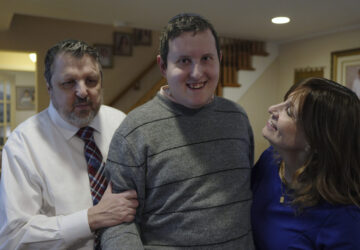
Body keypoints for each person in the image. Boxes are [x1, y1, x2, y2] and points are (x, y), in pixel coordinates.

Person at [101, 13, 255, 249]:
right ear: (163, 66)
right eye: (184, 61)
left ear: (220, 60)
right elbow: (116, 222)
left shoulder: (238, 118)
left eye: (207, 58)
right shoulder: (135, 130)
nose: (197, 72)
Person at [0, 39, 138, 249]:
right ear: (49, 87)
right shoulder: (23, 144)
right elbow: (14, 238)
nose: (82, 92)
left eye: (91, 80)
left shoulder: (121, 123)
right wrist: (91, 219)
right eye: (69, 83)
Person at [251, 77, 360, 249]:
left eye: (289, 111)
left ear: (316, 140)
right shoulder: (270, 160)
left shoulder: (343, 218)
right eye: (283, 101)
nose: (272, 109)